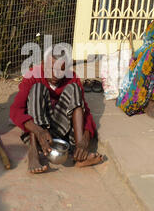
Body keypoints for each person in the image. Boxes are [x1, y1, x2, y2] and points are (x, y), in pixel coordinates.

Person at [9, 46, 103, 174]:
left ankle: (79, 154)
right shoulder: (32, 75)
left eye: (61, 70)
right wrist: (39, 131)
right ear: (43, 65)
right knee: (37, 89)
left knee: (74, 89)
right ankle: (34, 152)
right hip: (36, 133)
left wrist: (85, 140)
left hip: (63, 131)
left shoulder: (72, 78)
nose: (55, 75)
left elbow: (85, 111)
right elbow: (15, 111)